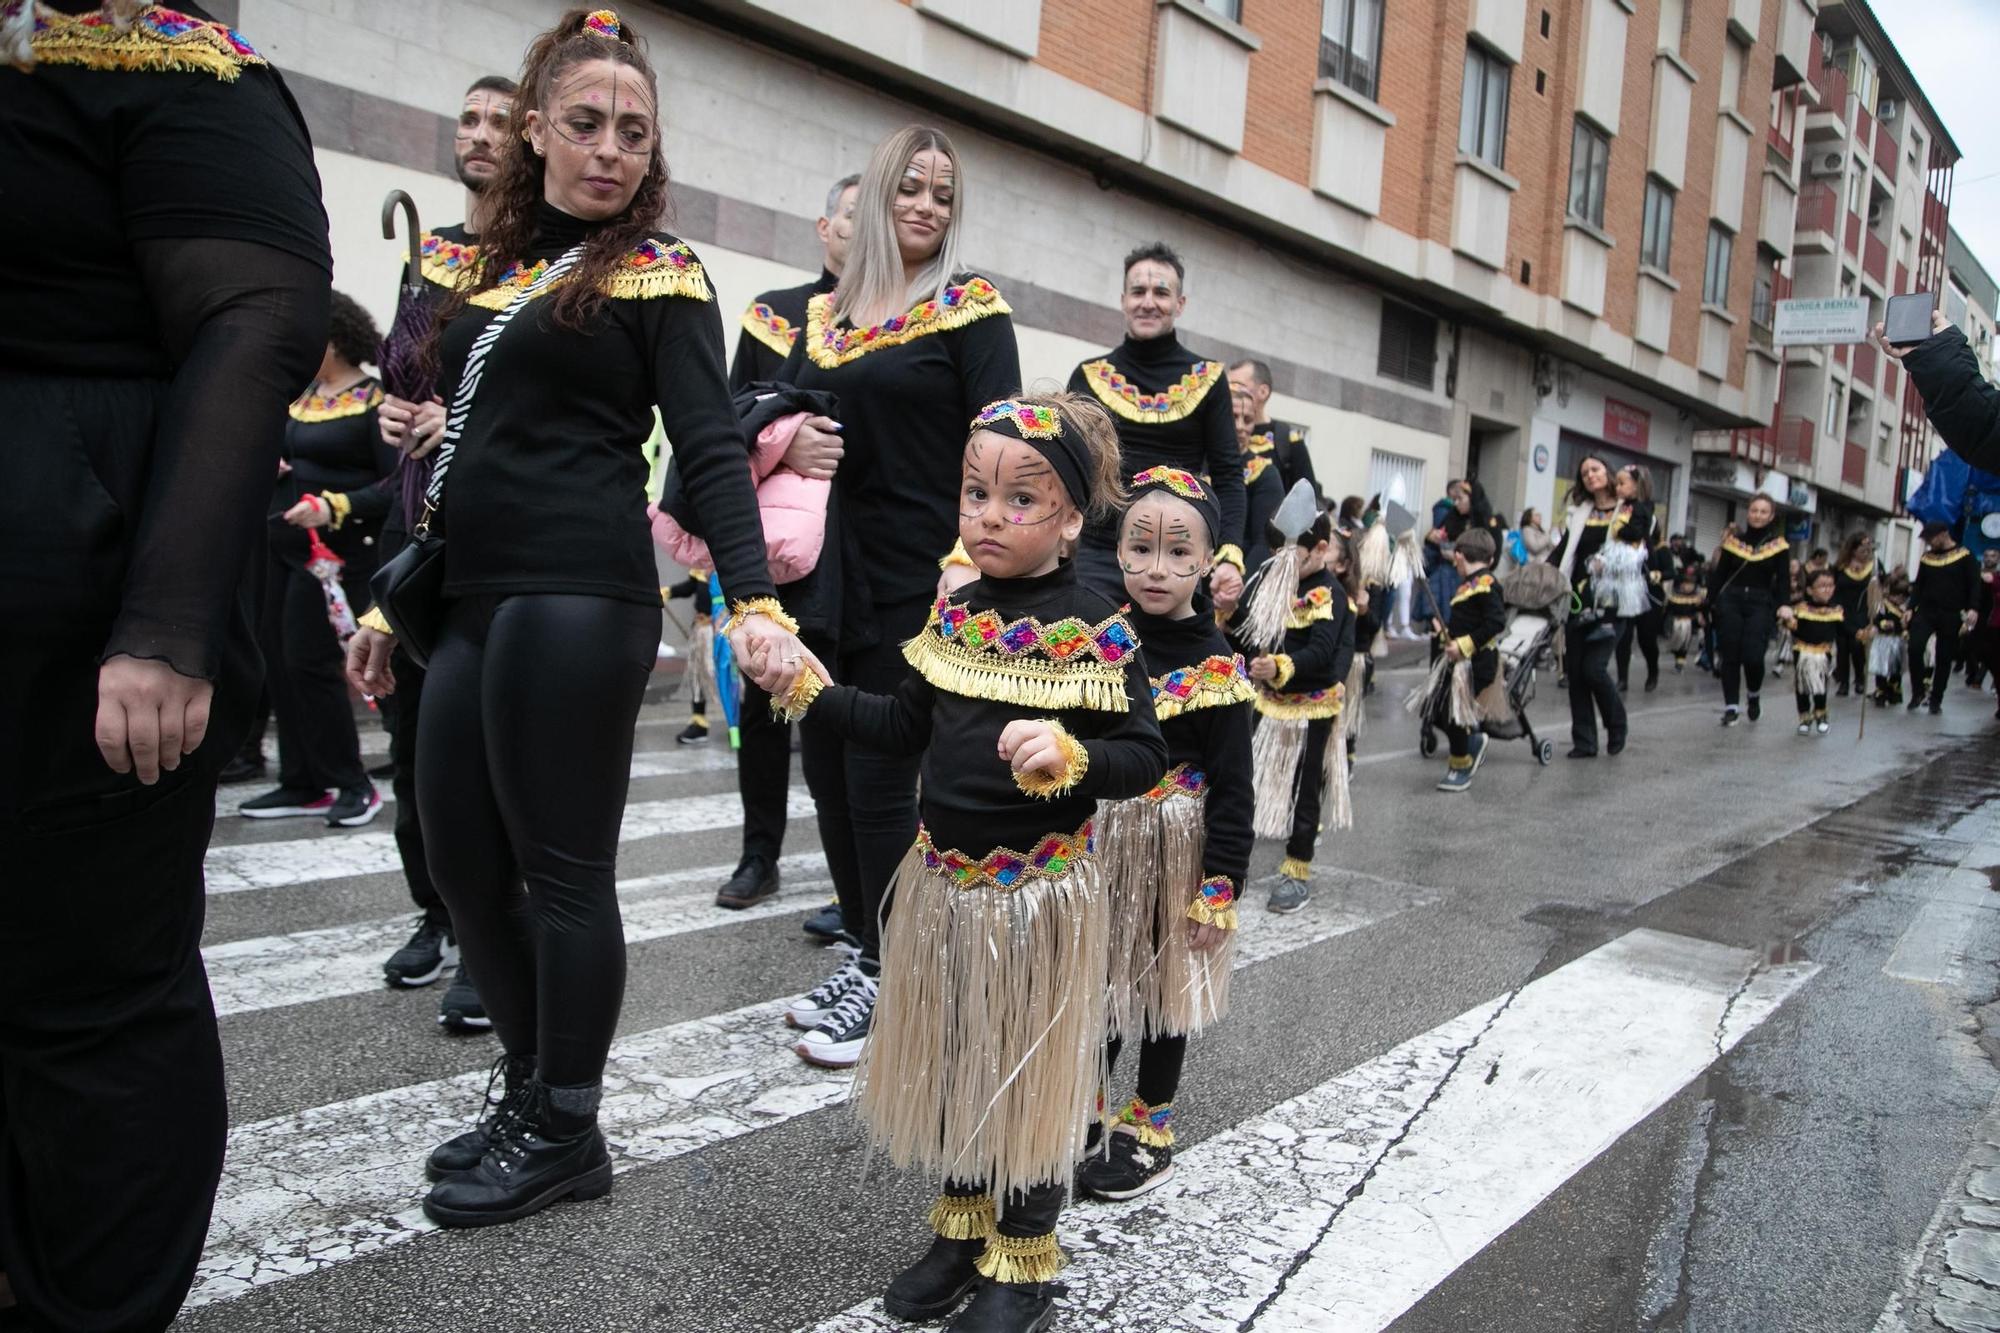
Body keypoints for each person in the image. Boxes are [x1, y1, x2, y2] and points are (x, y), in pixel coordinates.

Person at [343, 7, 814, 1229]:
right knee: (456, 856)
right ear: (536, 128)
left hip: (577, 592)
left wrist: (751, 595)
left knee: (560, 871)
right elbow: (418, 443)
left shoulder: (658, 274)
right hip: (464, 591)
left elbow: (709, 445)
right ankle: (525, 1083)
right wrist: (391, 602)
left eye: (634, 132)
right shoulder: (453, 267)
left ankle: (567, 1122)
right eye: (588, 123)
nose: (610, 148)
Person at [0, 4, 332, 1328]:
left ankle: (97, 1301)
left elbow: (257, 320)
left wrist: (167, 624)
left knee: (95, 991)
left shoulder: (189, 73)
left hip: (74, 588)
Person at [803, 392, 1166, 1332]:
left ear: (1074, 517)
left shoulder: (1099, 624)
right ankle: (962, 1227)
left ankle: (1024, 1257)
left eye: (1020, 499)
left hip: (1038, 898)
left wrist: (1074, 758)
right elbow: (896, 726)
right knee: (957, 1059)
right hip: (943, 888)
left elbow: (1144, 756)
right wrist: (807, 686)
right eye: (975, 493)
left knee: (1032, 1071)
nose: (989, 516)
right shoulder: (955, 613)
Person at [774, 124, 1022, 1070]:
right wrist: (791, 441)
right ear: (877, 195)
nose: (925, 204)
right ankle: (871, 947)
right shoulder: (829, 314)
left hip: (924, 576)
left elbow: (1001, 444)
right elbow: (785, 413)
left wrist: (971, 557)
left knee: (881, 781)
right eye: (909, 187)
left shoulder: (969, 306)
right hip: (828, 577)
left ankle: (901, 973)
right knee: (828, 768)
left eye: (942, 194)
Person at [331, 72, 518, 1003]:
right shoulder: (435, 257)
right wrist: (399, 420)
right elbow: (398, 391)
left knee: (486, 747)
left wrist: (463, 426)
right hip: (412, 533)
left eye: (499, 122)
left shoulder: (543, 262)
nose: (479, 136)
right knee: (415, 749)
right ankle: (435, 912)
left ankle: (489, 930)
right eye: (468, 119)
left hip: (495, 545)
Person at [1083, 467, 1253, 1203]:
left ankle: (1149, 1124)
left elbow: (1237, 792)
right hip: (1100, 840)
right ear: (1116, 549)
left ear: (1209, 561)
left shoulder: (1218, 668)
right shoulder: (1098, 639)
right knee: (1097, 985)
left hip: (1173, 848)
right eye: (1140, 547)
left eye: (1179, 553)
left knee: (1161, 991)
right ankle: (1085, 1109)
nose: (1157, 569)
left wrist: (1217, 888)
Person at [719, 173, 859, 917]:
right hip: (777, 544)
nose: (860, 227)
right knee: (766, 697)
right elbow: (729, 413)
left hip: (860, 548)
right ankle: (758, 852)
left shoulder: (899, 321)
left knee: (845, 712)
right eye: (849, 214)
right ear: (823, 225)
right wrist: (783, 437)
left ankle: (854, 882)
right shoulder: (774, 314)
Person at [232, 291, 393, 832]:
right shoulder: (302, 397)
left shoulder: (374, 399)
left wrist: (334, 505)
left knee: (310, 665)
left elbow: (396, 485)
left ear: (336, 339)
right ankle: (304, 781)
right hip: (285, 549)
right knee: (278, 662)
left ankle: (352, 783)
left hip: (341, 560)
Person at [1069, 242, 1246, 601]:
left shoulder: (1209, 379)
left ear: (1180, 304)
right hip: (1099, 556)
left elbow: (1228, 476)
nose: (1148, 302)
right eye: (1138, 291)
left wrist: (1229, 556)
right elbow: (1066, 469)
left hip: (1179, 558)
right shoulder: (1088, 376)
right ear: (1123, 300)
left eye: (1161, 292)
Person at [1232, 486, 1356, 914]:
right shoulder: (1273, 582)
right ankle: (1231, 863)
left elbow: (1323, 653)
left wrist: (1280, 666)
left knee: (1306, 791)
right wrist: (1227, 610)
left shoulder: (1329, 595)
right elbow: (1247, 628)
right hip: (1271, 703)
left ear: (1320, 549)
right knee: (1247, 781)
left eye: (1293, 554)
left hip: (1313, 705)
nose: (1282, 561)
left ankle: (1297, 867)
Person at [1550, 455, 1645, 755]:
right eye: (1585, 473)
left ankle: (1617, 723)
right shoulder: (1580, 513)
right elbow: (1565, 551)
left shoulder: (1629, 509)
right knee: (1576, 674)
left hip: (1613, 602)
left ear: (1608, 472)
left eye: (1596, 469)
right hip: (1578, 600)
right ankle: (1585, 741)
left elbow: (1641, 545)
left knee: (1594, 669)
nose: (1591, 475)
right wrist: (1540, 574)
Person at [1427, 528, 1505, 793]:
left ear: (1459, 556)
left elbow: (1495, 623)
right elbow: (1465, 623)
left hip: (1477, 663)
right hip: (1460, 662)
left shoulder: (1486, 585)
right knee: (1434, 710)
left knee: (1453, 714)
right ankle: (1473, 742)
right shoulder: (1470, 584)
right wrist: (1443, 632)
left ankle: (1460, 766)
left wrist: (1463, 645)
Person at [1704, 493, 1790, 727]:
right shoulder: (1734, 542)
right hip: (1731, 600)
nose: (1758, 516)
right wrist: (1708, 600)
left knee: (1753, 656)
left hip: (1760, 603)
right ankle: (1731, 707)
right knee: (1729, 654)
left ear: (1771, 516)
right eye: (1754, 510)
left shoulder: (1779, 546)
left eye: (1763, 511)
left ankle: (1753, 694)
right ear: (1747, 512)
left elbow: (1783, 580)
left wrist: (1784, 605)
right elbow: (1720, 574)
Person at [1907, 521, 1979, 715]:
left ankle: (1936, 698)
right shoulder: (1927, 558)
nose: (1930, 542)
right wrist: (1910, 607)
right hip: (1926, 611)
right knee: (1915, 647)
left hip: (1951, 613)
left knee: (1944, 656)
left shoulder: (1965, 556)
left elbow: (1974, 585)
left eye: (1932, 538)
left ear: (1944, 534)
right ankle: (1918, 692)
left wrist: (1973, 608)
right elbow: (1919, 585)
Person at [1227, 358, 1318, 499]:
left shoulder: (1287, 439)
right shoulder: (1216, 433)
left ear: (1263, 392)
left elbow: (1308, 500)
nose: (1229, 393)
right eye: (1226, 387)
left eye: (1238, 386)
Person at [1612, 466, 1664, 694]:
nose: (1617, 488)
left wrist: (1618, 530)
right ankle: (1622, 678)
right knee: (1623, 633)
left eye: (1622, 483)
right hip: (1622, 578)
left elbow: (1635, 533)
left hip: (1643, 579)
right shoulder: (1616, 508)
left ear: (1636, 485)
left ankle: (1653, 670)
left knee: (1646, 637)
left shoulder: (1645, 510)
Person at [1783, 568, 1843, 736]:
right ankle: (1804, 717)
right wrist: (1788, 620)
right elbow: (1792, 627)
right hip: (1803, 652)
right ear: (1810, 590)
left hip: (1823, 652)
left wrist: (1862, 633)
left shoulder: (1836, 610)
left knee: (1820, 685)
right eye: (1822, 586)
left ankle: (1821, 715)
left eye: (1830, 585)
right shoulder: (1801, 608)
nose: (1827, 589)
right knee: (1803, 686)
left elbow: (1845, 630)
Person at [1871, 575, 1912, 707]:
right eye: (1900, 597)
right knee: (1882, 668)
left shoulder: (1905, 609)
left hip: (1897, 641)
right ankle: (1880, 691)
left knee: (1896, 668)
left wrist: (1905, 629)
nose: (1901, 601)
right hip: (1884, 640)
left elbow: (1908, 624)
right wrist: (1882, 623)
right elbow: (1876, 619)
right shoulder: (1884, 606)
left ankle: (1894, 691)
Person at [1664, 568, 1705, 674]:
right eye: (1685, 583)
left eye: (1690, 584)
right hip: (1676, 623)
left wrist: (1699, 618)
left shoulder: (1696, 597)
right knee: (1676, 644)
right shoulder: (1674, 596)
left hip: (1688, 625)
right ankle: (1678, 659)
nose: (1688, 587)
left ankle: (1680, 664)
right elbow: (1668, 611)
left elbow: (1700, 610)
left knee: (1684, 645)